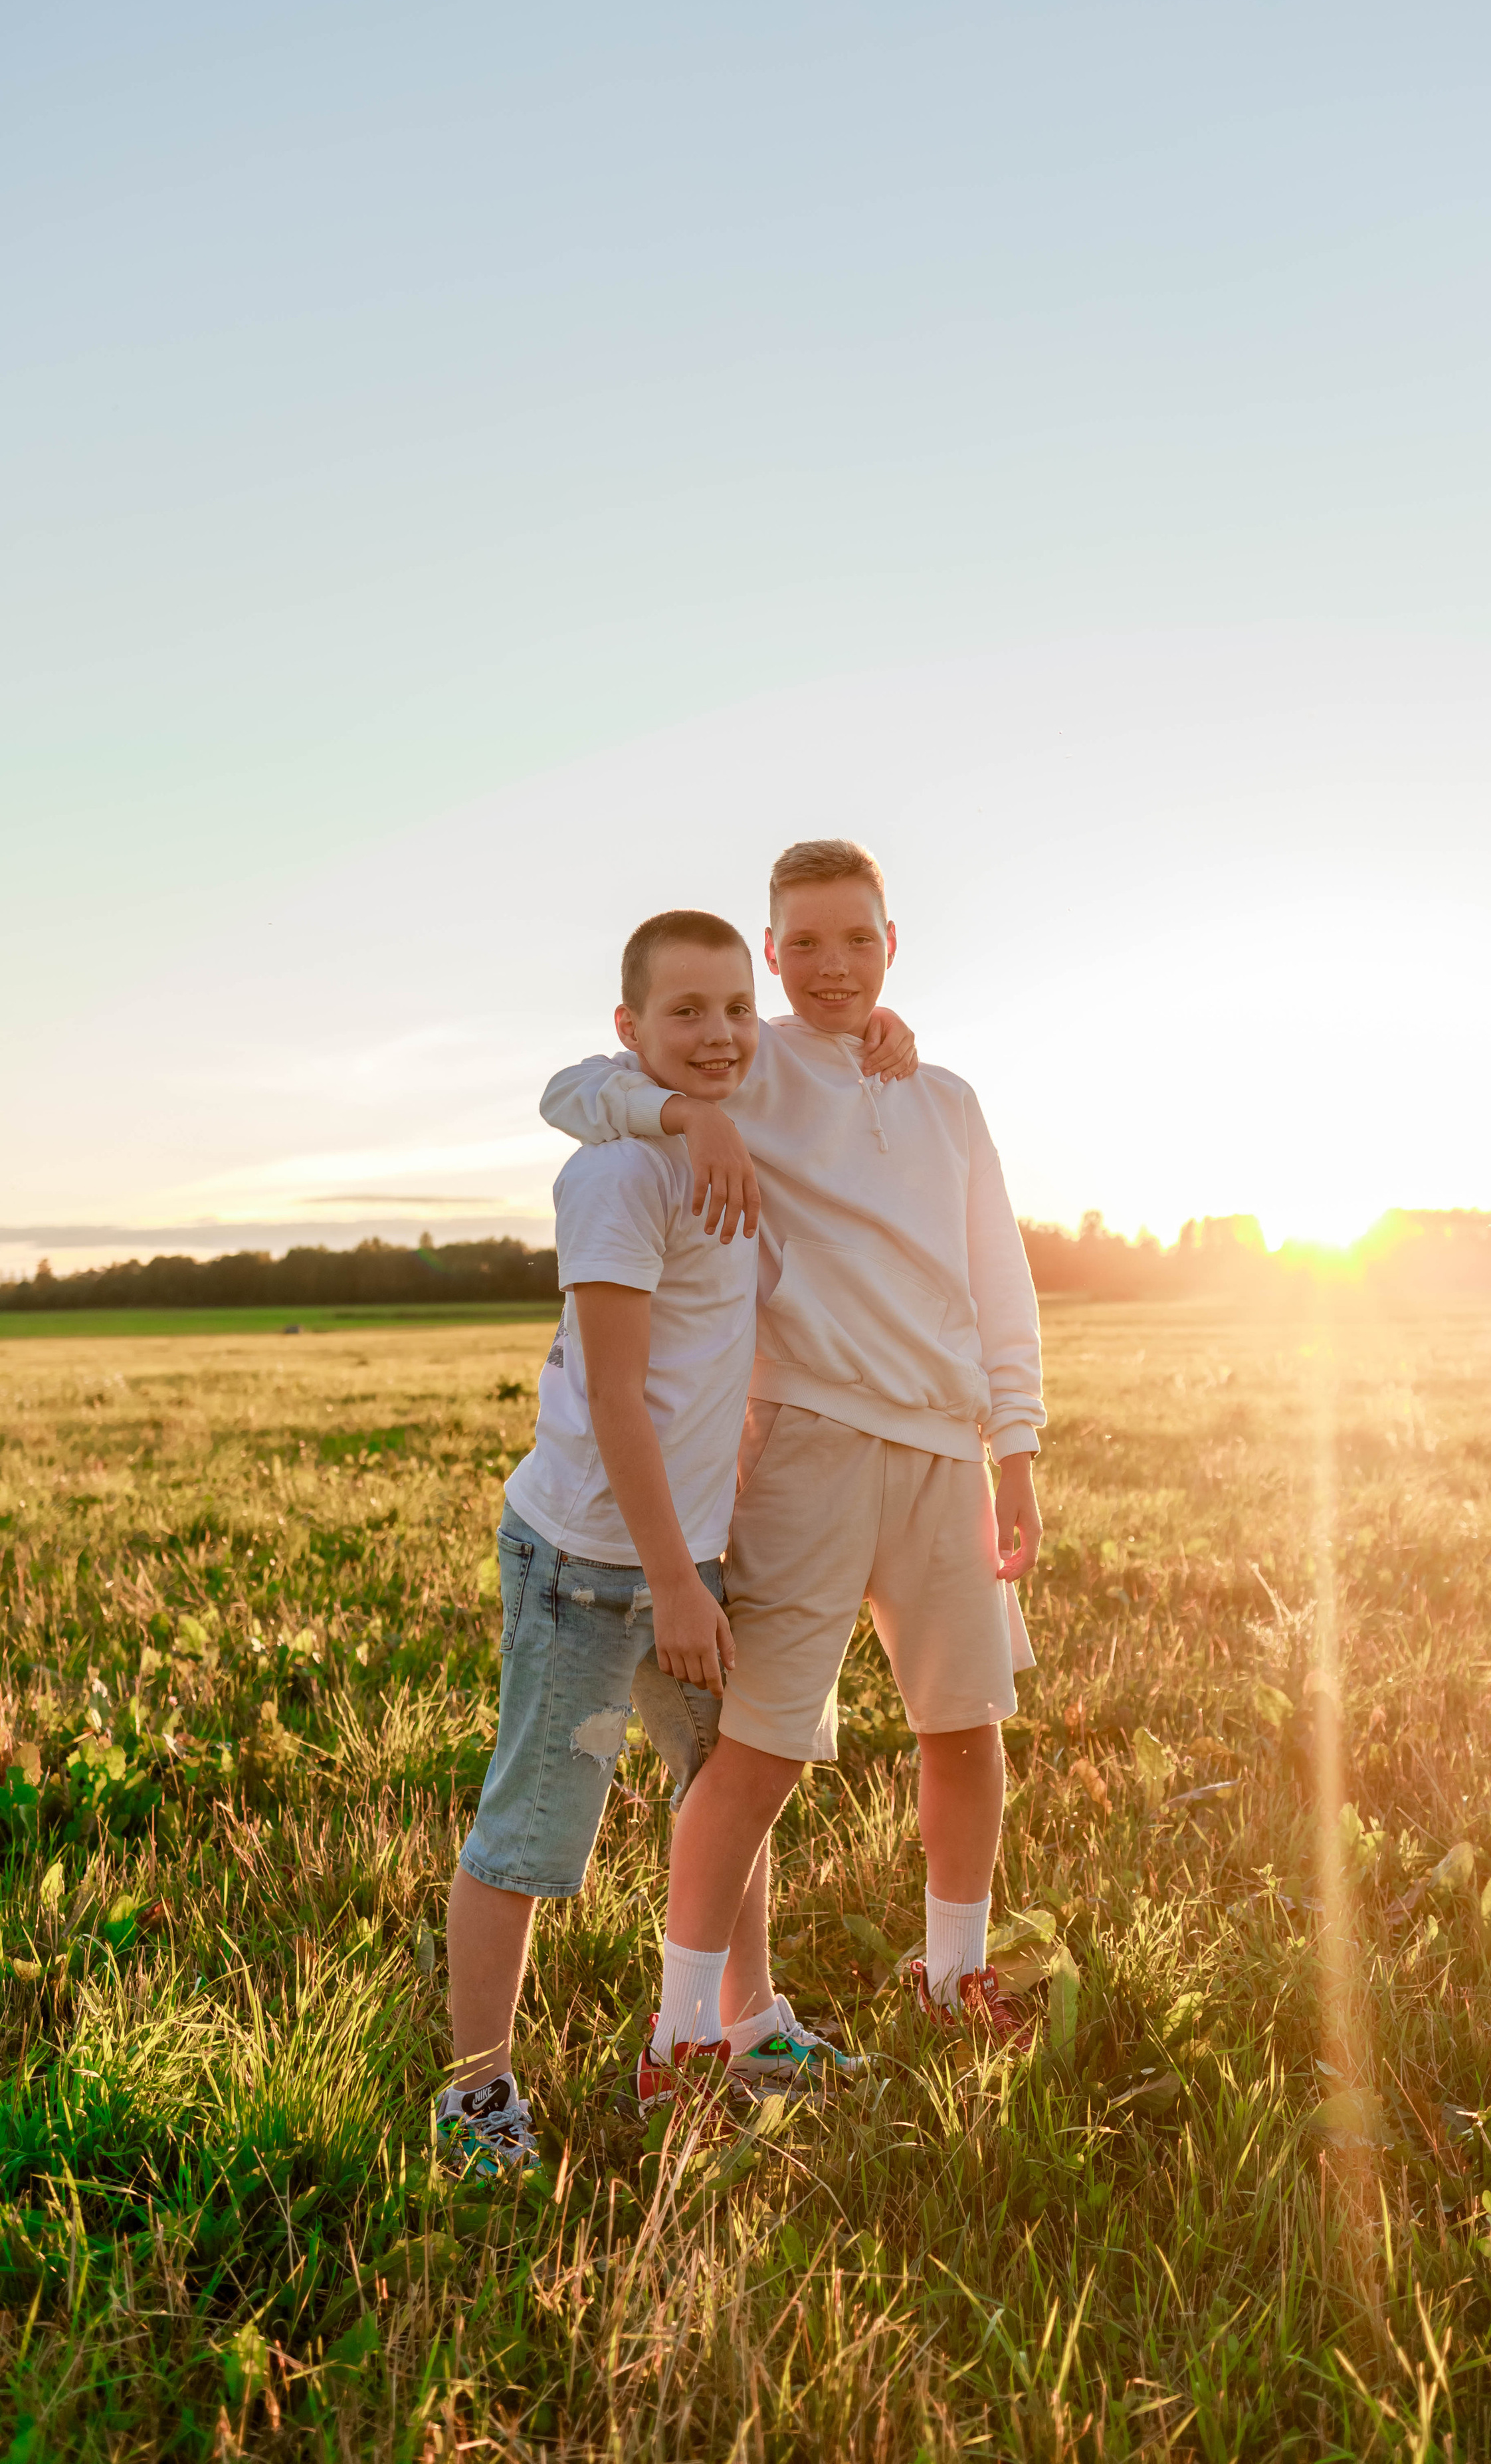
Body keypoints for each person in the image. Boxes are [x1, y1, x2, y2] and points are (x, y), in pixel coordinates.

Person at [541, 837, 1045, 2063]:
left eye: (857, 939)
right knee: (763, 1749)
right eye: (805, 943)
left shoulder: (948, 1099)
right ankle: (683, 2040)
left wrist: (1016, 1445)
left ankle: (951, 1975)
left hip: (945, 1457)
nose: (833, 965)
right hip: (809, 1443)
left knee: (968, 1728)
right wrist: (686, 1116)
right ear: (770, 955)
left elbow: (1000, 1278)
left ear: (891, 945)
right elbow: (569, 1092)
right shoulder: (741, 1071)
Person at [439, 907, 912, 2179]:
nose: (717, 1037)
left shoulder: (732, 1132)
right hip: (595, 1563)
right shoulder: (615, 1176)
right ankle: (474, 2091)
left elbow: (797, 1066)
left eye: (734, 1011)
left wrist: (877, 1029)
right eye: (684, 1014)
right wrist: (669, 1586)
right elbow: (614, 1402)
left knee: (727, 1797)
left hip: (689, 1557)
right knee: (532, 1835)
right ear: (630, 1029)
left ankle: (741, 2025)